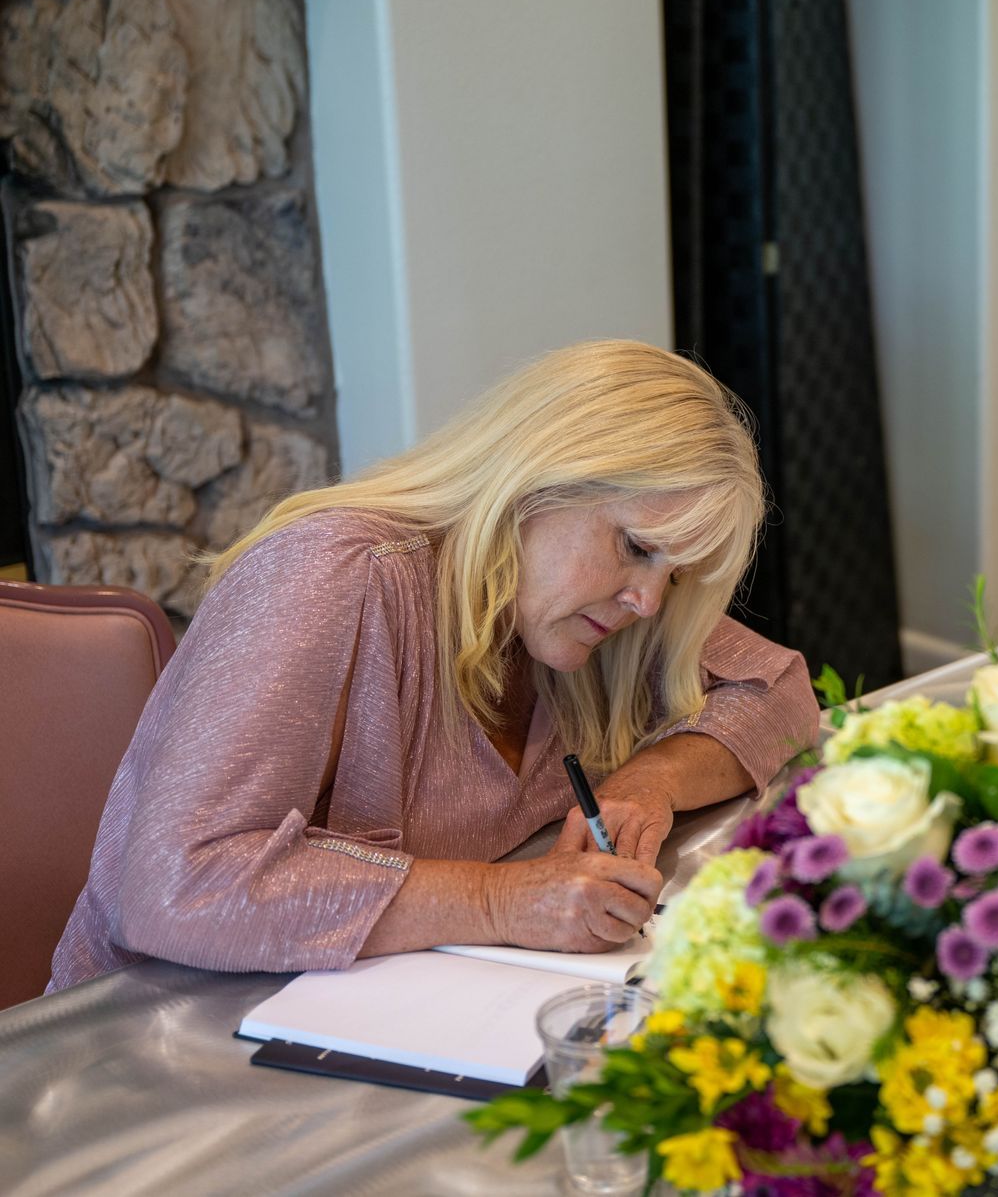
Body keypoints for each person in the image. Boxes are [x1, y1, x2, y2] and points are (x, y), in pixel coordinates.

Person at [50, 341, 818, 991]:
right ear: (533, 483)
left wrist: (651, 780)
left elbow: (782, 695)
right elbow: (176, 882)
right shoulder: (333, 574)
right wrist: (499, 900)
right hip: (157, 1049)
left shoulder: (579, 612)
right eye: (636, 547)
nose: (649, 602)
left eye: (674, 575)